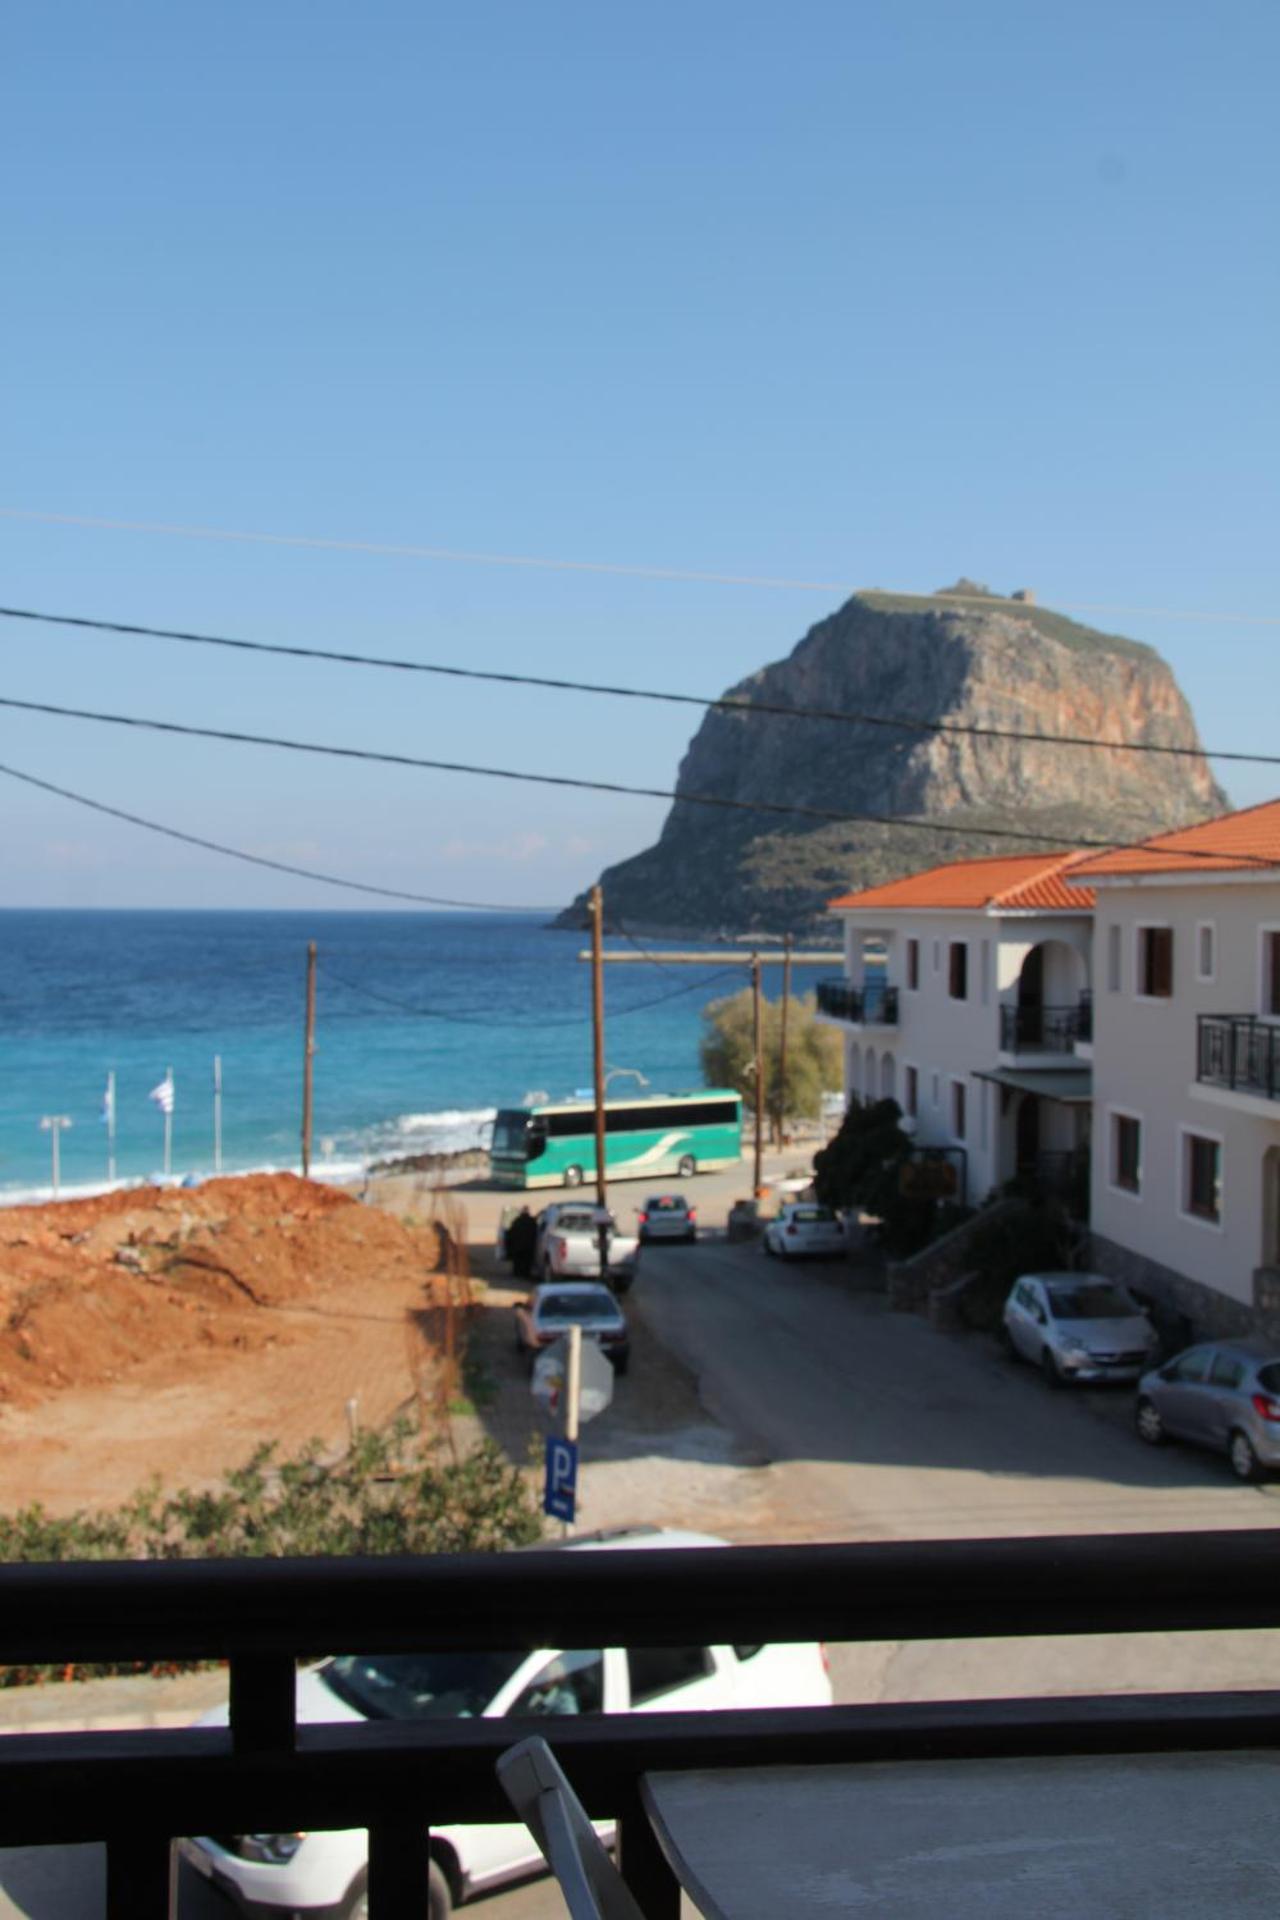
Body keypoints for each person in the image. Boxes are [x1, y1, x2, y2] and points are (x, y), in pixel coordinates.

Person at [506, 1205, 538, 1279]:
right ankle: (525, 1274)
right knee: (527, 1262)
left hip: (518, 1246)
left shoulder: (517, 1221)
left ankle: (517, 1273)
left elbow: (511, 1233)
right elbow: (536, 1232)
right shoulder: (532, 1221)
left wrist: (510, 1245)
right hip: (529, 1246)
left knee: (518, 1261)